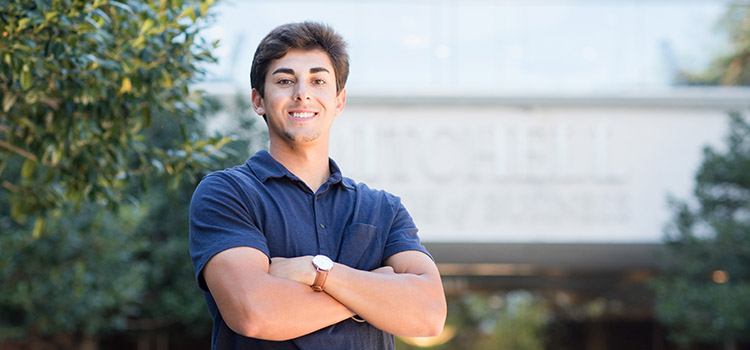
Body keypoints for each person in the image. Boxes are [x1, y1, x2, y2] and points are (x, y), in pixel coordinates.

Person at [189, 21, 447, 349]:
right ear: (258, 101)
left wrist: (319, 273)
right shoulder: (228, 194)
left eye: (318, 80)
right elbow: (254, 312)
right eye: (285, 80)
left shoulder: (384, 209)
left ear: (339, 101)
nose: (302, 93)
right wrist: (374, 295)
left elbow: (429, 314)